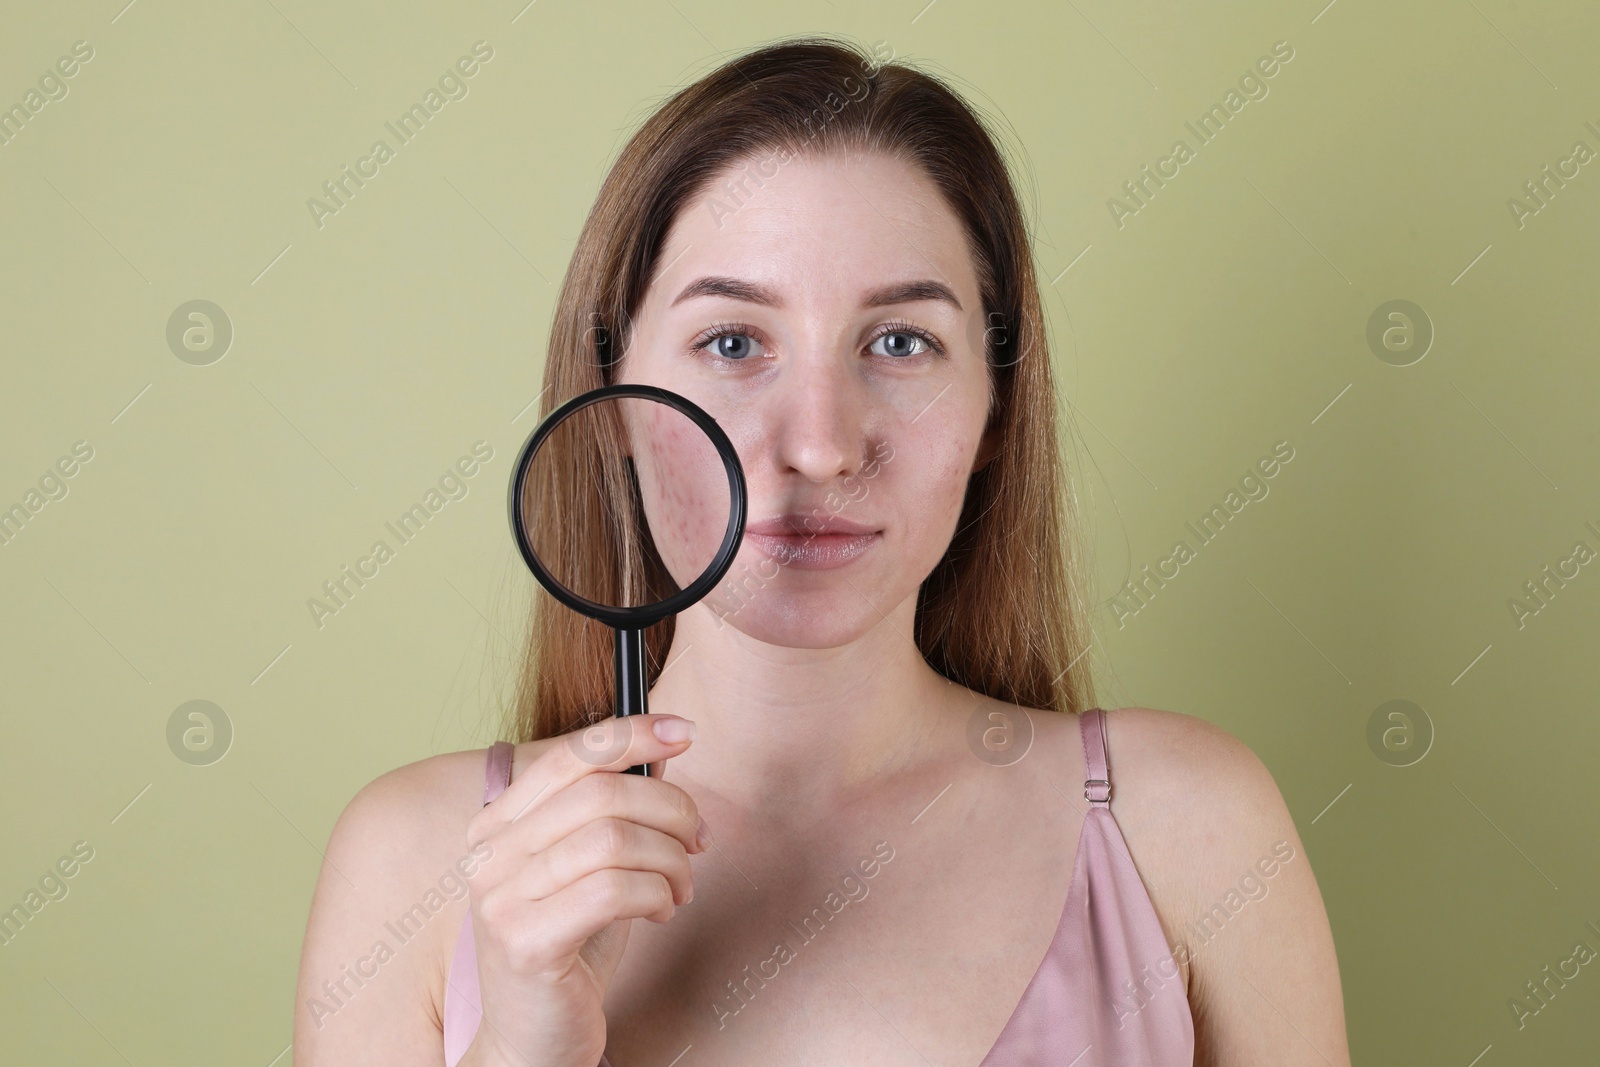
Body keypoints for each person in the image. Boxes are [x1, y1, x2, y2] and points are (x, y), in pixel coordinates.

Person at [293, 35, 1350, 1067]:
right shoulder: (414, 864)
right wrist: (526, 1042)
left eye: (900, 343)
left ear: (995, 414)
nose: (818, 444)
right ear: (609, 397)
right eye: (731, 342)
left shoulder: (1185, 826)